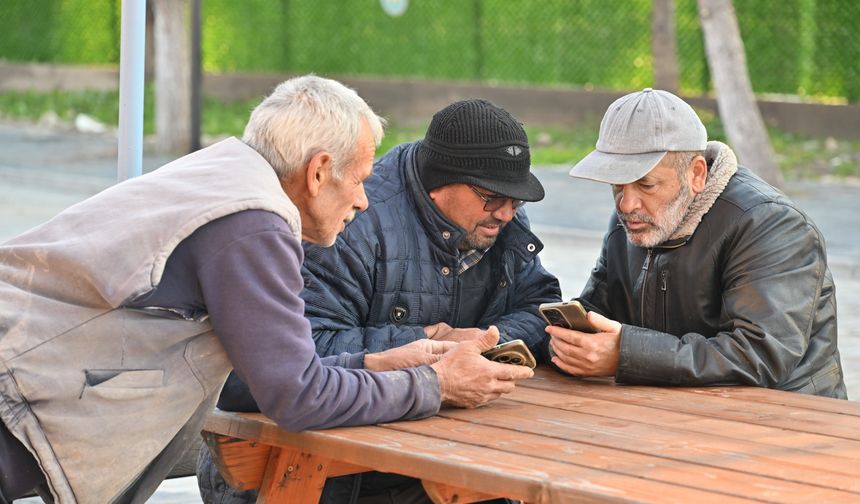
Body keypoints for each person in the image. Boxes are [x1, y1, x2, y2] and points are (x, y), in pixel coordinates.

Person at [0, 76, 534, 504]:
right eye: (360, 179)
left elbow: (261, 378)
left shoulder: (226, 177)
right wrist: (435, 384)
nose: (364, 200)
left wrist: (379, 363)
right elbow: (298, 398)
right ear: (319, 171)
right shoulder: (255, 224)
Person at [198, 98, 562, 503]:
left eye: (516, 199)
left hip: (437, 458)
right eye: (492, 197)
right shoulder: (344, 219)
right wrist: (428, 346)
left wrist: (481, 344)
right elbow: (295, 360)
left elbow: (541, 306)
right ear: (440, 182)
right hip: (328, 476)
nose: (507, 212)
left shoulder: (497, 216)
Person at [550, 88, 846, 398]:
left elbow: (760, 354)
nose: (626, 204)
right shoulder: (632, 220)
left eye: (646, 184)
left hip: (788, 415)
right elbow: (598, 311)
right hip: (675, 406)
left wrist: (626, 355)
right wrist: (566, 341)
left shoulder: (771, 224)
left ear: (696, 174)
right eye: (616, 185)